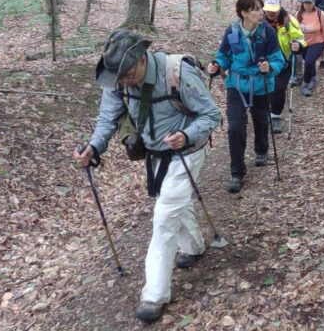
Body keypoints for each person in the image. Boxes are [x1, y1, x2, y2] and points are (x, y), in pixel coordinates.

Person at [73, 29, 221, 323]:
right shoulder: (118, 79)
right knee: (175, 203)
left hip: (187, 152)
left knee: (164, 216)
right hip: (156, 154)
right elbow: (108, 119)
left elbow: (212, 115)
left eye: (126, 75)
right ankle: (193, 246)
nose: (122, 83)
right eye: (118, 78)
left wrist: (186, 134)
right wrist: (93, 146)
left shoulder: (177, 73)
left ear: (142, 60)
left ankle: (155, 294)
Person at [209, 0, 285, 193]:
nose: (261, 13)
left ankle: (261, 150)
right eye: (256, 10)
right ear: (243, 12)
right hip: (236, 84)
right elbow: (224, 56)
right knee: (235, 128)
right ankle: (236, 173)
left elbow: (279, 59)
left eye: (261, 9)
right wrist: (217, 66)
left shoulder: (268, 32)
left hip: (261, 84)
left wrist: (270, 66)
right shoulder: (232, 31)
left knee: (261, 120)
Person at [263, 0, 306, 133]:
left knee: (279, 89)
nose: (271, 13)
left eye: (274, 10)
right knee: (265, 89)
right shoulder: (258, 20)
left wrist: (298, 45)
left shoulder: (289, 20)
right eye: (268, 10)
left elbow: (300, 38)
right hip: (264, 61)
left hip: (284, 61)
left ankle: (275, 117)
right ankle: (264, 111)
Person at [296, 0, 324, 96]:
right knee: (309, 62)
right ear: (302, 3)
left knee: (308, 62)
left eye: (309, 3)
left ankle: (306, 84)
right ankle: (313, 78)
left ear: (313, 3)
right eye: (305, 2)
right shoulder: (298, 14)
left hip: (317, 42)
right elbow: (294, 29)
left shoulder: (320, 14)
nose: (307, 5)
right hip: (303, 43)